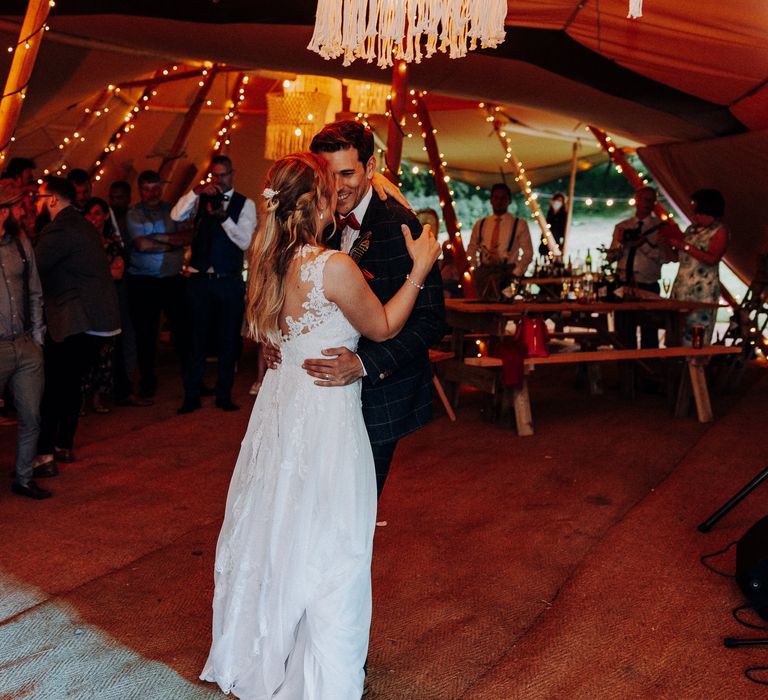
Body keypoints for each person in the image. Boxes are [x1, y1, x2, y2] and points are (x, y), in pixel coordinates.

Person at [200, 151, 440, 699]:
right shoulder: (333, 266)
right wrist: (420, 269)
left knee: (279, 525)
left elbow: (266, 335)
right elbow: (380, 327)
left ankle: (267, 649)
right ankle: (320, 674)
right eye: (334, 189)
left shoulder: (268, 260)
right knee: (335, 540)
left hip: (282, 411)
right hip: (327, 416)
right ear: (320, 202)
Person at [303, 119, 446, 498]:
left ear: (370, 168)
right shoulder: (320, 219)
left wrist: (365, 365)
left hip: (380, 393)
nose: (337, 186)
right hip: (325, 395)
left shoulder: (402, 225)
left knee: (356, 504)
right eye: (328, 174)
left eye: (348, 173)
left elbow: (432, 320)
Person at [33, 176, 120, 466]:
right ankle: (63, 446)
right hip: (97, 320)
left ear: (53, 200)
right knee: (69, 384)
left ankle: (44, 454)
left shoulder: (60, 229)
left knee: (54, 386)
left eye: (39, 198)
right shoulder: (81, 225)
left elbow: (33, 268)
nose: (35, 204)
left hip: (78, 320)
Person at [171, 155, 256, 414]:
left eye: (223, 175)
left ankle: (224, 394)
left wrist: (223, 218)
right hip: (199, 279)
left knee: (228, 340)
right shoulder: (199, 198)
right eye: (215, 175)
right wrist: (195, 191)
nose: (219, 180)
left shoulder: (246, 204)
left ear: (232, 174)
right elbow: (176, 215)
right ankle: (192, 394)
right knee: (195, 339)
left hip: (228, 280)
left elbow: (244, 242)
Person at [0, 181, 49, 499]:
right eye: (15, 206)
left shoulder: (20, 243)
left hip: (25, 343)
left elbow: (34, 291)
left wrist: (38, 339)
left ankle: (24, 478)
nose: (19, 211)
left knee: (31, 415)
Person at [124, 170, 192, 399]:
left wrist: (159, 238)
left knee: (183, 331)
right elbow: (142, 245)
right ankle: (147, 381)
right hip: (143, 282)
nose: (152, 193)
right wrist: (172, 243)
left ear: (161, 188)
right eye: (147, 188)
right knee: (145, 334)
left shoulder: (172, 210)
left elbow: (189, 236)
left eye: (155, 188)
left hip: (171, 279)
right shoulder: (134, 214)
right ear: (140, 190)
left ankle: (191, 380)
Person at [607, 186, 673, 349]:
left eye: (652, 201)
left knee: (649, 333)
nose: (648, 204)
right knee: (623, 333)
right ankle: (626, 369)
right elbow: (610, 258)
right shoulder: (622, 226)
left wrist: (643, 245)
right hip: (624, 284)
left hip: (648, 283)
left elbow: (666, 258)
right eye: (645, 200)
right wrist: (621, 243)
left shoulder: (660, 228)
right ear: (636, 201)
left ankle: (648, 370)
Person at [665, 189, 728, 345]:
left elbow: (712, 259)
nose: (693, 212)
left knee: (696, 337)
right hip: (682, 287)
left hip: (702, 290)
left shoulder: (719, 231)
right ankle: (679, 366)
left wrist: (685, 246)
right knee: (676, 337)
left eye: (696, 208)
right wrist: (667, 243)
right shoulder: (691, 229)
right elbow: (676, 258)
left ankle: (696, 366)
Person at [466, 182, 533, 276]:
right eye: (496, 198)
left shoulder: (519, 224)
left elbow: (528, 252)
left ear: (509, 200)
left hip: (509, 272)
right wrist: (474, 270)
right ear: (491, 200)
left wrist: (517, 272)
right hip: (484, 272)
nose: (499, 201)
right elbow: (471, 249)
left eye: (503, 198)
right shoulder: (480, 224)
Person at [541, 192, 567, 256]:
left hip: (556, 241)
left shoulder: (563, 215)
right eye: (557, 200)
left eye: (560, 201)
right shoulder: (550, 213)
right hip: (545, 241)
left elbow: (563, 231)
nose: (557, 202)